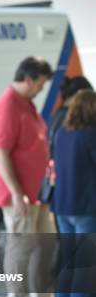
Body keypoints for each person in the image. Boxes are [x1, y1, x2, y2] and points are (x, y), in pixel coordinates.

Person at [0, 56, 56, 297]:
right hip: (18, 194)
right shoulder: (8, 106)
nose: (42, 88)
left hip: (36, 192)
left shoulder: (26, 104)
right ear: (28, 79)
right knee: (21, 245)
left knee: (45, 242)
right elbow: (0, 153)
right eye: (40, 83)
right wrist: (17, 193)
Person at [50, 89, 96, 297]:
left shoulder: (61, 134)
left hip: (62, 207)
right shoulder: (91, 135)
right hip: (87, 208)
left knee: (67, 265)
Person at [39, 76, 93, 204]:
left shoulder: (58, 115)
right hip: (71, 188)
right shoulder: (70, 119)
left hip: (58, 187)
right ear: (80, 95)